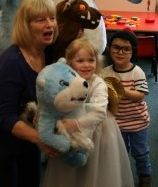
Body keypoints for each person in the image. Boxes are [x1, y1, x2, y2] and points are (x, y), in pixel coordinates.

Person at [0, 0, 59, 187]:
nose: (49, 25)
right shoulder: (12, 62)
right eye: (40, 20)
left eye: (52, 18)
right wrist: (41, 139)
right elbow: (5, 116)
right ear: (26, 26)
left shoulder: (51, 52)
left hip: (27, 136)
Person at [43, 37, 134, 187]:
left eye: (91, 60)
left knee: (95, 169)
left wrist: (76, 123)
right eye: (80, 61)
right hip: (70, 131)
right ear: (70, 62)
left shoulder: (98, 83)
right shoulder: (65, 80)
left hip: (98, 133)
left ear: (97, 62)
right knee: (69, 172)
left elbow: (99, 112)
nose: (86, 65)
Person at [102, 30, 152, 187]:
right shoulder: (106, 72)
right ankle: (120, 177)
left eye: (126, 49)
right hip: (116, 123)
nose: (120, 52)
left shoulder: (137, 72)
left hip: (137, 122)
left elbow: (140, 95)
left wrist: (121, 90)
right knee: (118, 153)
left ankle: (145, 175)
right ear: (109, 49)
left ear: (133, 52)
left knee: (141, 152)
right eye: (116, 47)